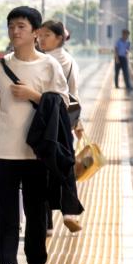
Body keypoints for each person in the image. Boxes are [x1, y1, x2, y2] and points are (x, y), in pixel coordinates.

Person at [0, 6, 69, 264]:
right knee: (7, 216)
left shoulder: (49, 65)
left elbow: (62, 104)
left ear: (35, 32)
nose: (15, 31)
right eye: (11, 26)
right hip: (4, 153)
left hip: (37, 154)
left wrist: (33, 95)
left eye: (21, 26)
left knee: (36, 214)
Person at [37, 20, 84, 234]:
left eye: (46, 35)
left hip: (42, 121)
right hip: (64, 122)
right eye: (40, 35)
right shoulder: (71, 62)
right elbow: (74, 95)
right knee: (65, 165)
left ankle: (46, 223)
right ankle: (69, 212)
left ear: (59, 38)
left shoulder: (40, 61)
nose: (41, 39)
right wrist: (78, 123)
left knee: (42, 169)